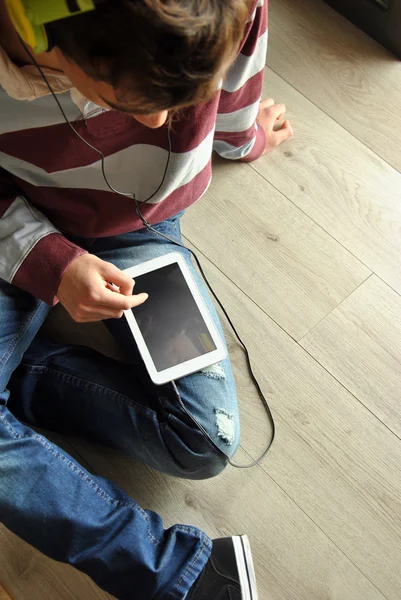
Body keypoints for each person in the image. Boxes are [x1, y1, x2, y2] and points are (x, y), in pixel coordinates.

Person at [0, 0, 293, 598]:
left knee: (204, 437)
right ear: (39, 26)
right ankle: (180, 579)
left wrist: (244, 135)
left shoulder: (232, 8)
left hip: (137, 229)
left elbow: (232, 100)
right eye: (128, 95)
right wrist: (49, 263)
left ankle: (18, 376)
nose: (163, 123)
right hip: (13, 216)